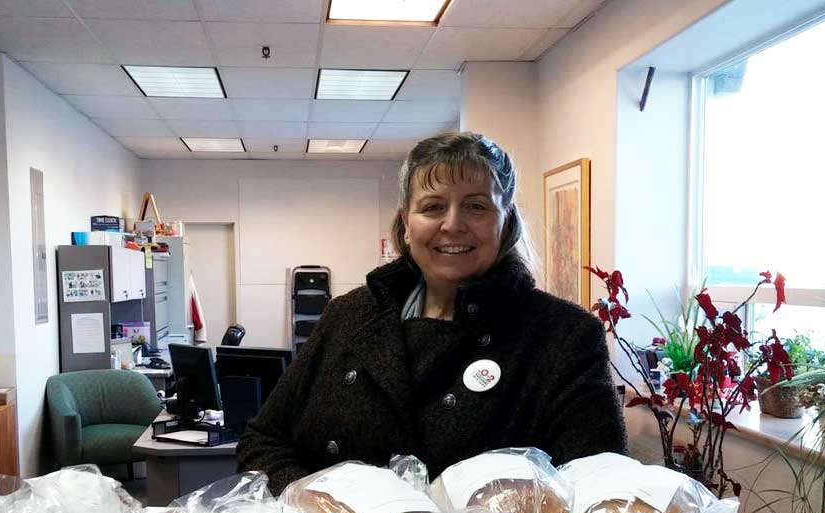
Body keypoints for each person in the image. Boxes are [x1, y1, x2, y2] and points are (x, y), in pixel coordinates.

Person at [236, 132, 627, 494]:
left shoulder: (564, 337)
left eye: (476, 206)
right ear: (406, 223)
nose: (453, 224)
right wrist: (312, 502)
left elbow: (598, 494)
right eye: (433, 207)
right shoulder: (347, 317)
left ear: (505, 220)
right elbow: (263, 440)